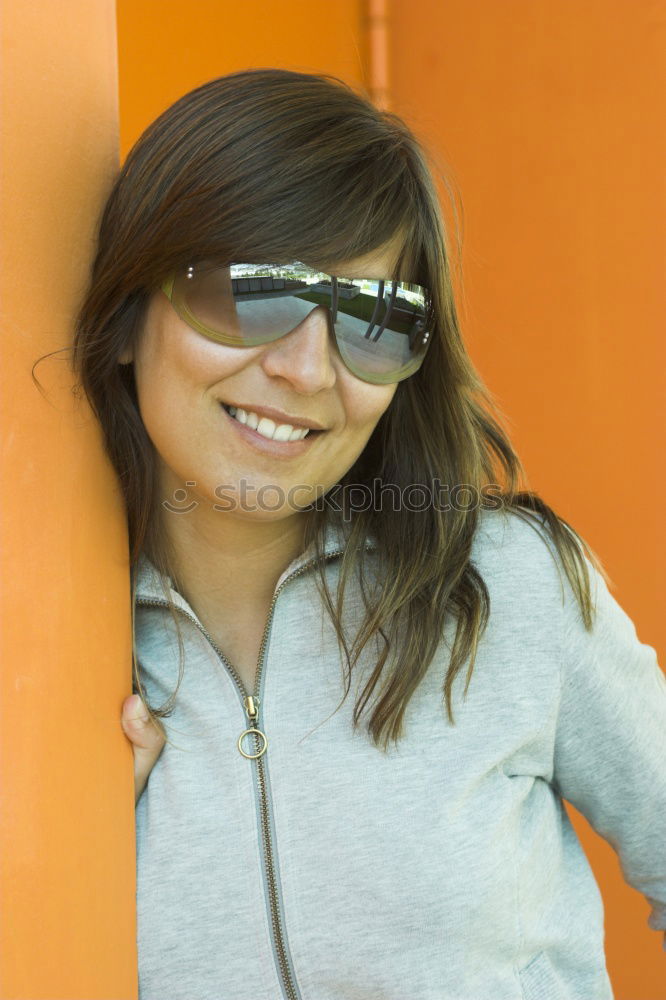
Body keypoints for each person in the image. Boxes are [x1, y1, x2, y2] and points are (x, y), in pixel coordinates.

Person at [70, 68, 665, 999]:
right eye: (251, 293)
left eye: (374, 320)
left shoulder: (507, 589)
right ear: (125, 317)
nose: (309, 368)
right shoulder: (52, 670)